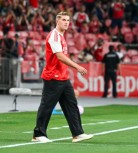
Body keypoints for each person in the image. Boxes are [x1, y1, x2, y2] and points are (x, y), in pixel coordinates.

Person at [32, 12, 93, 143]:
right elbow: (59, 56)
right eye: (64, 20)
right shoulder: (54, 36)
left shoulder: (61, 36)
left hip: (63, 77)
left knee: (71, 105)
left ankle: (78, 133)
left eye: (68, 20)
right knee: (47, 105)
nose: (66, 22)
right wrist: (77, 66)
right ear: (57, 21)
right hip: (53, 77)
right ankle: (38, 134)